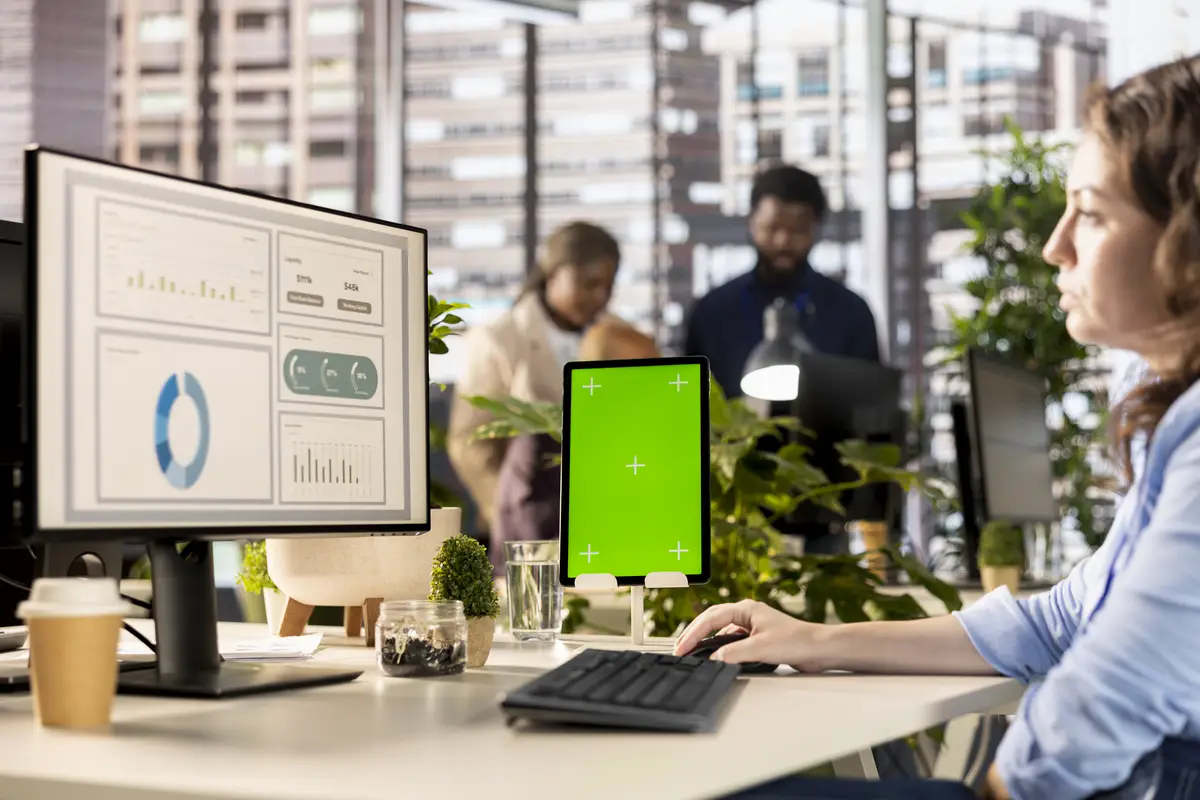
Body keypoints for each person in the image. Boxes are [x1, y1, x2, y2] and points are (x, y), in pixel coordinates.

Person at [675, 55, 1200, 799]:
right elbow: (1060, 622)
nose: (1056, 246)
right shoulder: (1167, 407)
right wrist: (810, 640)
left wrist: (993, 791)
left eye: (1089, 211)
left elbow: (1124, 682)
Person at [448, 221, 626, 537]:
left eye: (608, 287)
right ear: (554, 273)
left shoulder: (621, 336)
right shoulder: (499, 339)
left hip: (605, 521)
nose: (601, 297)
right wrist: (509, 510)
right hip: (524, 526)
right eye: (589, 283)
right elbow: (469, 442)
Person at [684, 164, 880, 399]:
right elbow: (693, 406)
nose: (782, 242)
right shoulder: (712, 313)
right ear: (751, 222)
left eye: (797, 230)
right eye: (771, 227)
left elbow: (872, 409)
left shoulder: (850, 313)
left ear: (817, 227)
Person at [489, 321, 659, 573]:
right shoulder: (544, 445)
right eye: (647, 376)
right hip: (536, 602)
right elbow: (545, 554)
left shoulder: (631, 449)